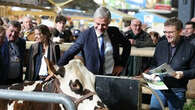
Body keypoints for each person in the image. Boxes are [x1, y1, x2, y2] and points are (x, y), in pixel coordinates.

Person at [58, 6, 131, 76]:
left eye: (104, 25)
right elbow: (70, 52)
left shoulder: (114, 32)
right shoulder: (85, 35)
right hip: (91, 77)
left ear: (109, 22)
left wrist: (121, 64)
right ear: (94, 21)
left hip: (113, 75)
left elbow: (127, 44)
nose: (100, 27)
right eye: (97, 24)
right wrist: (57, 70)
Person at [149, 17, 195, 110]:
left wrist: (183, 74)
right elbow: (153, 64)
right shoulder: (161, 45)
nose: (167, 35)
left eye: (170, 32)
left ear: (180, 31)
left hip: (177, 89)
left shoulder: (190, 48)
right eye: (165, 32)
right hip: (158, 87)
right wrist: (153, 73)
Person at [1, 20, 26, 85]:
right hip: (2, 80)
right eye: (11, 31)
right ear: (6, 29)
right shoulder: (1, 40)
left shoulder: (22, 42)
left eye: (16, 32)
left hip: (17, 80)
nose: (13, 34)